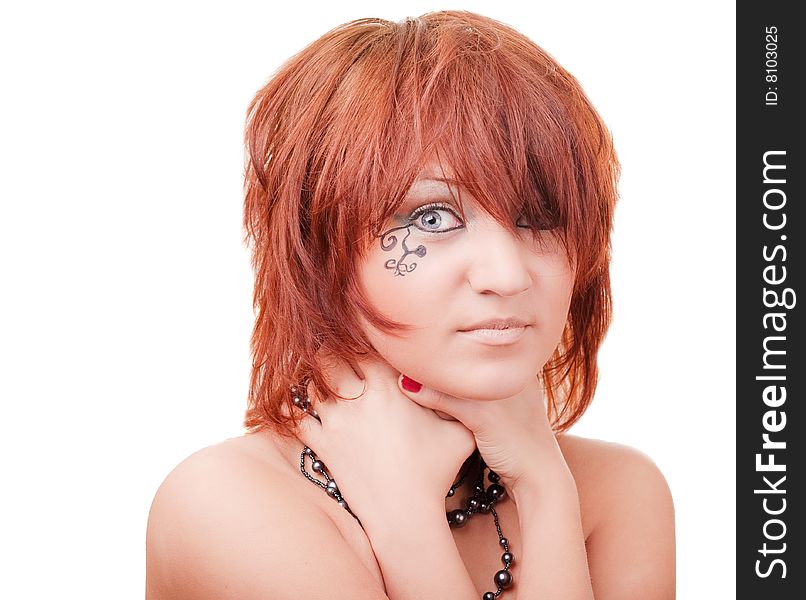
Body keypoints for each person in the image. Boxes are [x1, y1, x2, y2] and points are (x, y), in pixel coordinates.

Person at [146, 10, 675, 600]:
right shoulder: (227, 504)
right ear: (321, 247)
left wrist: (544, 488)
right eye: (431, 217)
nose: (507, 275)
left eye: (540, 215)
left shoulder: (618, 491)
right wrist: (405, 514)